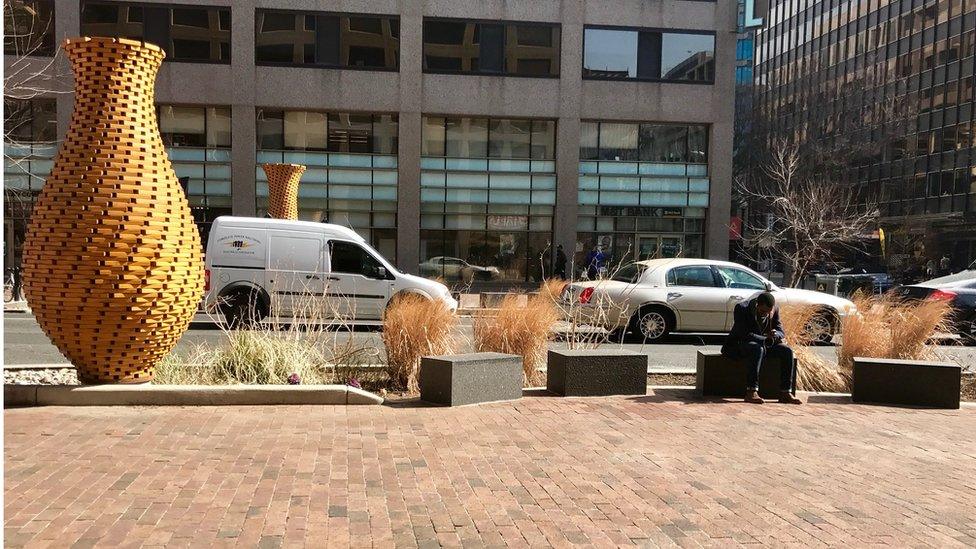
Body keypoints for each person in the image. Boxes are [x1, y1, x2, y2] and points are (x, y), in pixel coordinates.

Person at [721, 292, 802, 404]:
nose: (765, 314)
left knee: (787, 351)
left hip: (764, 344)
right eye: (762, 311)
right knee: (757, 349)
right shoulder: (742, 308)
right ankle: (751, 391)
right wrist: (764, 339)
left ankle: (785, 392)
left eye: (768, 313)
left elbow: (780, 331)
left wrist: (775, 334)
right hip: (742, 343)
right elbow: (743, 333)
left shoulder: (774, 310)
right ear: (757, 305)